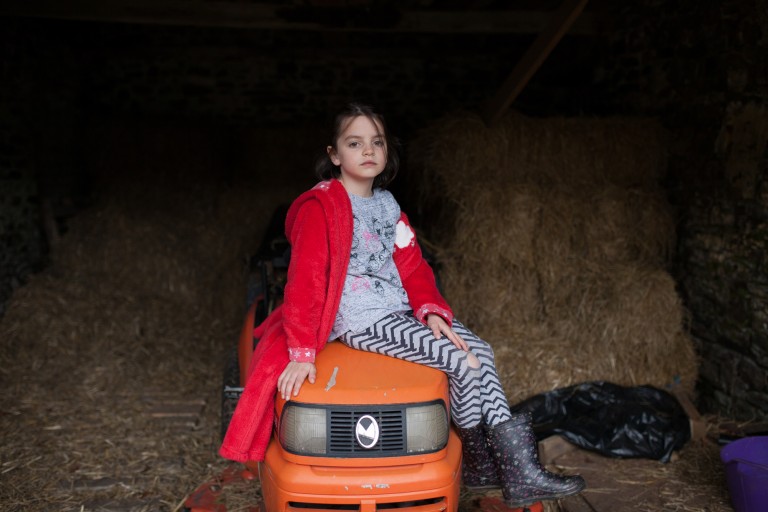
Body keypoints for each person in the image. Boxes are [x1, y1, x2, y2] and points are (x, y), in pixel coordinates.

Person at [220, 103, 585, 508]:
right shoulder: (320, 207)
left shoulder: (388, 206)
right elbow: (304, 280)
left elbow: (412, 266)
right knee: (461, 362)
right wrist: (302, 351)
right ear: (334, 155)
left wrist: (429, 308)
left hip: (397, 311)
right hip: (361, 317)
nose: (368, 151)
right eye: (355, 143)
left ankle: (505, 470)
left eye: (376, 142)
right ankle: (497, 467)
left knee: (481, 351)